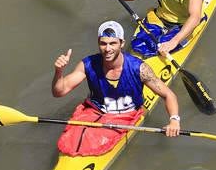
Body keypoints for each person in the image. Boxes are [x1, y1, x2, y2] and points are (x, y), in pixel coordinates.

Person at [52, 21, 181, 156]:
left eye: (113, 43)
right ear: (98, 43)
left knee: (93, 141)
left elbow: (169, 95)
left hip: (126, 115)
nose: (107, 49)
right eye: (103, 43)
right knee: (68, 142)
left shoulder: (140, 69)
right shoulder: (87, 64)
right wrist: (59, 72)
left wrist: (174, 120)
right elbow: (59, 91)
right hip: (95, 111)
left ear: (122, 43)